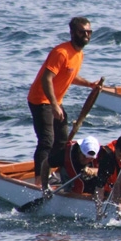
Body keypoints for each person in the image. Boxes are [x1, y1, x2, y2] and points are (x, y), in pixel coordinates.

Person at [27, 17, 99, 184]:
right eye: (82, 32)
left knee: (62, 141)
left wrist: (89, 84)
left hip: (54, 101)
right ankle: (39, 180)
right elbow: (47, 79)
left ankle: (52, 172)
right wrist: (53, 105)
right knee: (46, 141)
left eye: (89, 32)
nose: (86, 35)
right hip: (40, 100)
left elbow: (69, 75)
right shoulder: (61, 53)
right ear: (73, 33)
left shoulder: (79, 54)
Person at [94, 135, 121, 207]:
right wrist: (99, 209)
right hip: (111, 194)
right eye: (120, 155)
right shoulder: (108, 160)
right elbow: (99, 187)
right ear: (115, 150)